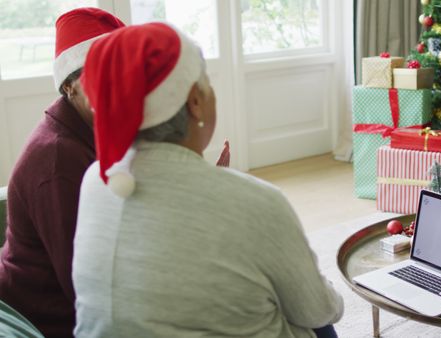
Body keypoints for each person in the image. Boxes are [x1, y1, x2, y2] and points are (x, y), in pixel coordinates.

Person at [73, 23, 343, 338]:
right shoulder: (257, 201)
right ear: (195, 101)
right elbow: (319, 309)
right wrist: (333, 297)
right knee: (319, 324)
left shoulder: (96, 179)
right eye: (208, 83)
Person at [0, 8, 125, 338]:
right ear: (70, 86)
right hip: (44, 312)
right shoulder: (58, 162)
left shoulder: (96, 126)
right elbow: (84, 287)